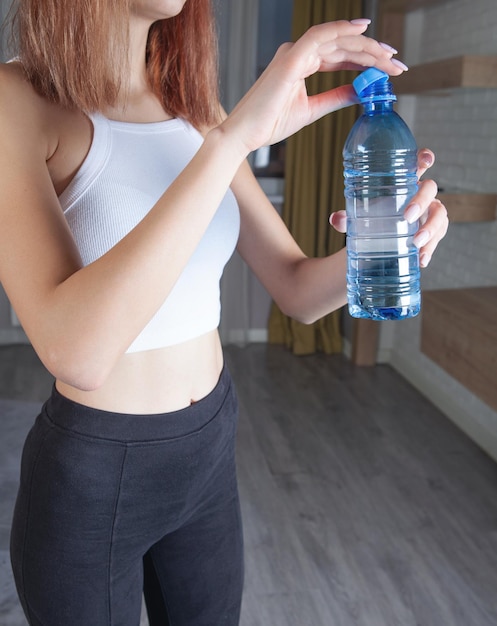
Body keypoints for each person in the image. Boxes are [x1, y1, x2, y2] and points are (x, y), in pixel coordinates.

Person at [1, 1, 448, 625]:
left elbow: (296, 288)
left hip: (209, 446)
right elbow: (76, 353)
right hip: (96, 479)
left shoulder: (191, 101)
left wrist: (384, 249)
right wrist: (235, 138)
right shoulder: (14, 98)